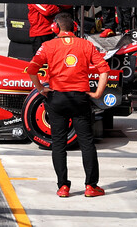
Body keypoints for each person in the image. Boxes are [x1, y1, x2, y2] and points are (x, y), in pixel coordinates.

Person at [25, 11, 109, 198]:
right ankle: (91, 186)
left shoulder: (48, 45)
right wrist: (97, 93)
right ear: (75, 28)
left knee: (59, 143)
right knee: (87, 142)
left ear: (55, 28)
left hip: (57, 98)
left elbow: (31, 69)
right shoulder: (86, 45)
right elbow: (105, 69)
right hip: (80, 98)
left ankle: (63, 187)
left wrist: (40, 89)